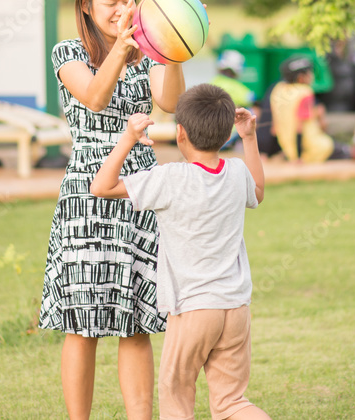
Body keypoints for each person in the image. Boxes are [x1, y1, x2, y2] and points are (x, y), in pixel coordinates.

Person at [38, 0, 186, 420]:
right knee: (82, 323)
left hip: (140, 186)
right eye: (111, 2)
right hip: (89, 190)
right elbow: (96, 97)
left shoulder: (147, 49)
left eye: (129, 0)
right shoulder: (68, 53)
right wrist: (123, 47)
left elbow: (171, 102)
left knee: (135, 321)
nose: (122, 9)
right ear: (86, 5)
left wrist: (172, 49)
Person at [89, 84, 271, 420]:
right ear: (226, 133)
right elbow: (257, 193)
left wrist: (128, 138)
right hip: (235, 307)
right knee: (232, 403)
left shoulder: (169, 179)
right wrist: (249, 137)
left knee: (176, 401)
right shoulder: (235, 172)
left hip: (192, 311)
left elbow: (101, 186)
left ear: (180, 133)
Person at [270, 54, 350, 163]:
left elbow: (275, 128)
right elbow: (299, 127)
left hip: (289, 151)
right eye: (309, 73)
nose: (312, 76)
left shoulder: (277, 90)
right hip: (313, 149)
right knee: (347, 151)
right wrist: (298, 158)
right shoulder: (305, 92)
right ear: (301, 77)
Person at [212, 49, 256, 150]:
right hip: (227, 137)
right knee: (251, 110)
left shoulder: (213, 81)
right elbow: (254, 99)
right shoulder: (237, 87)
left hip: (210, 134)